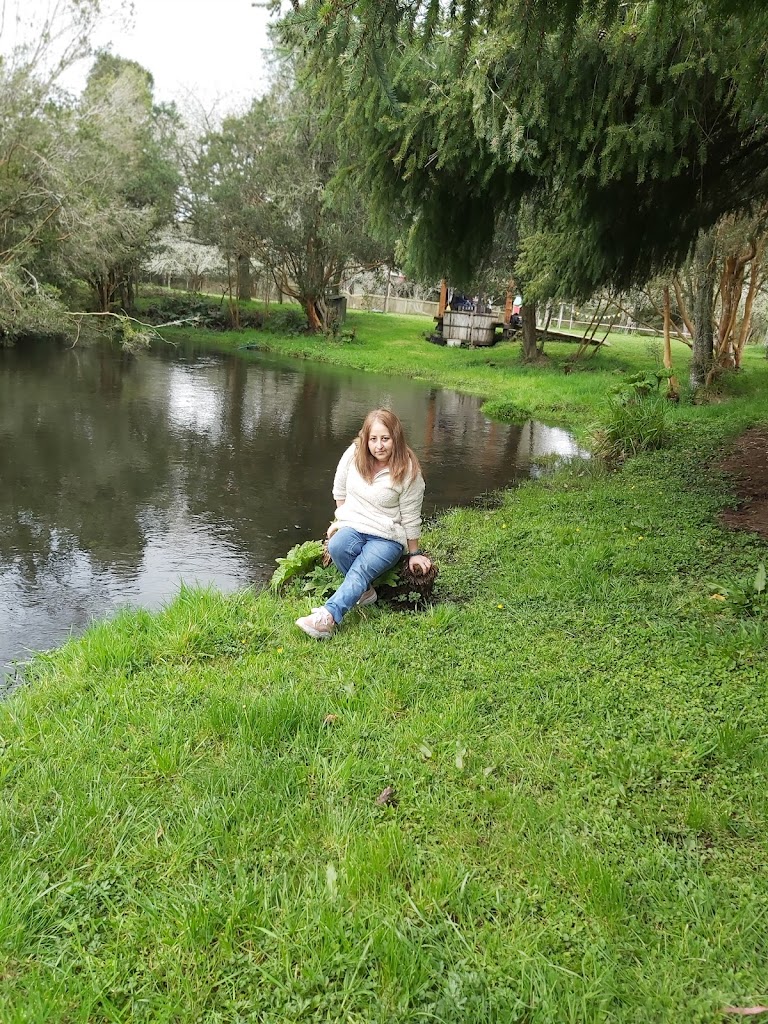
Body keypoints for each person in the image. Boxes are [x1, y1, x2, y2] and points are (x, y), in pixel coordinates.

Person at [296, 409, 432, 639]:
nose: (379, 446)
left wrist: (414, 553)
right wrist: (342, 520)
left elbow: (410, 516)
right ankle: (366, 592)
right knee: (337, 545)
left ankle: (328, 618)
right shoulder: (354, 454)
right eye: (373, 439)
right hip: (355, 526)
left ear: (396, 438)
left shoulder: (409, 472)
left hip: (386, 536)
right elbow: (340, 490)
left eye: (385, 439)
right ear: (365, 439)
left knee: (360, 569)